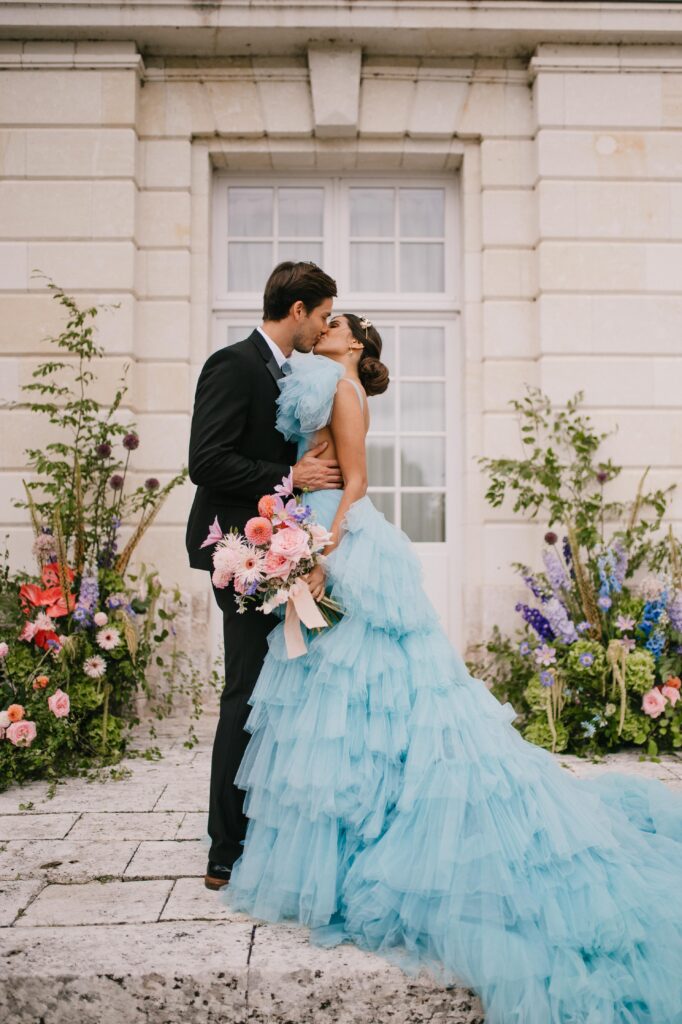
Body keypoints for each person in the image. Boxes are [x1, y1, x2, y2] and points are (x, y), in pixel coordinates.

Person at [223, 313, 682, 1023]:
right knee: (335, 692)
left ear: (355, 345)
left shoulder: (346, 388)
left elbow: (357, 483)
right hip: (307, 530)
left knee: (371, 687)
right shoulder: (321, 380)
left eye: (339, 322)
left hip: (339, 540)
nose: (329, 323)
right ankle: (350, 829)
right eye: (328, 315)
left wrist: (322, 553)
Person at [186, 261, 343, 891]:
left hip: (286, 554)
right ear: (298, 309)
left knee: (275, 696)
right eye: (324, 315)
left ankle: (262, 829)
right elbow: (206, 460)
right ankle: (224, 850)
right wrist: (288, 480)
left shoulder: (289, 374)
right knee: (244, 695)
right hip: (240, 556)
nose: (326, 327)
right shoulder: (234, 364)